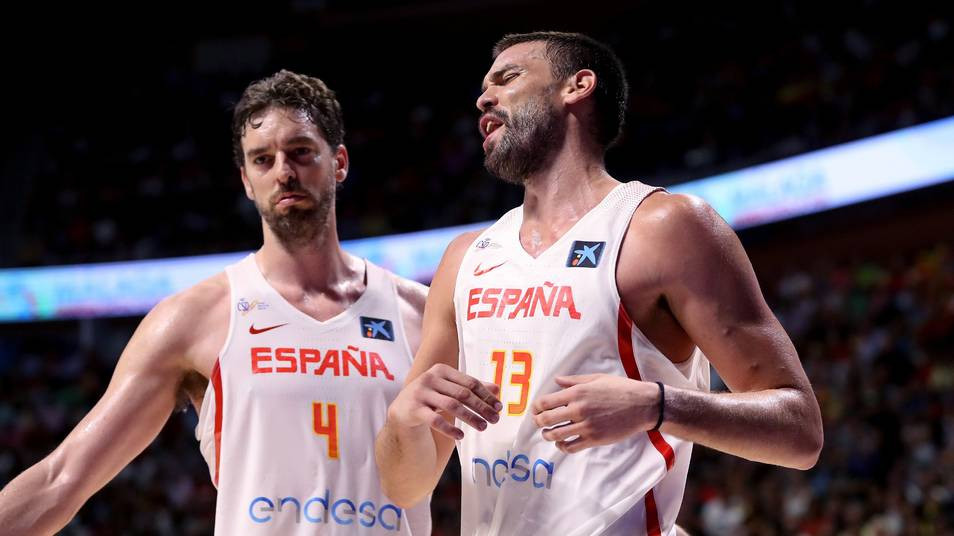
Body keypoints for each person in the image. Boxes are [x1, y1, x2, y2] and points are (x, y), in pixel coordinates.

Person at [375, 31, 823, 535]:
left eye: (508, 77)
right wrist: (403, 420)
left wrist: (656, 405)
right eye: (484, 86)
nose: (484, 97)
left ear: (578, 86)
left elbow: (799, 431)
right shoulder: (464, 258)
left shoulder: (662, 227)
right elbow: (405, 486)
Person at [0, 70, 431, 535]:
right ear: (246, 181)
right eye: (263, 160)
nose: (284, 172)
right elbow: (62, 479)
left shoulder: (419, 312)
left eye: (301, 152)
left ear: (339, 161)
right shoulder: (194, 318)